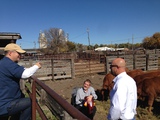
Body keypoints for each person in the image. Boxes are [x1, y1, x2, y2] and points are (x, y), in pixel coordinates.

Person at [0, 43, 41, 120]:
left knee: (22, 97)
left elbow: (21, 70)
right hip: (5, 104)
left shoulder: (4, 62)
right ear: (10, 53)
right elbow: (25, 74)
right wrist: (36, 66)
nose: (20, 55)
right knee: (31, 102)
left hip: (5, 100)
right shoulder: (8, 64)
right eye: (18, 53)